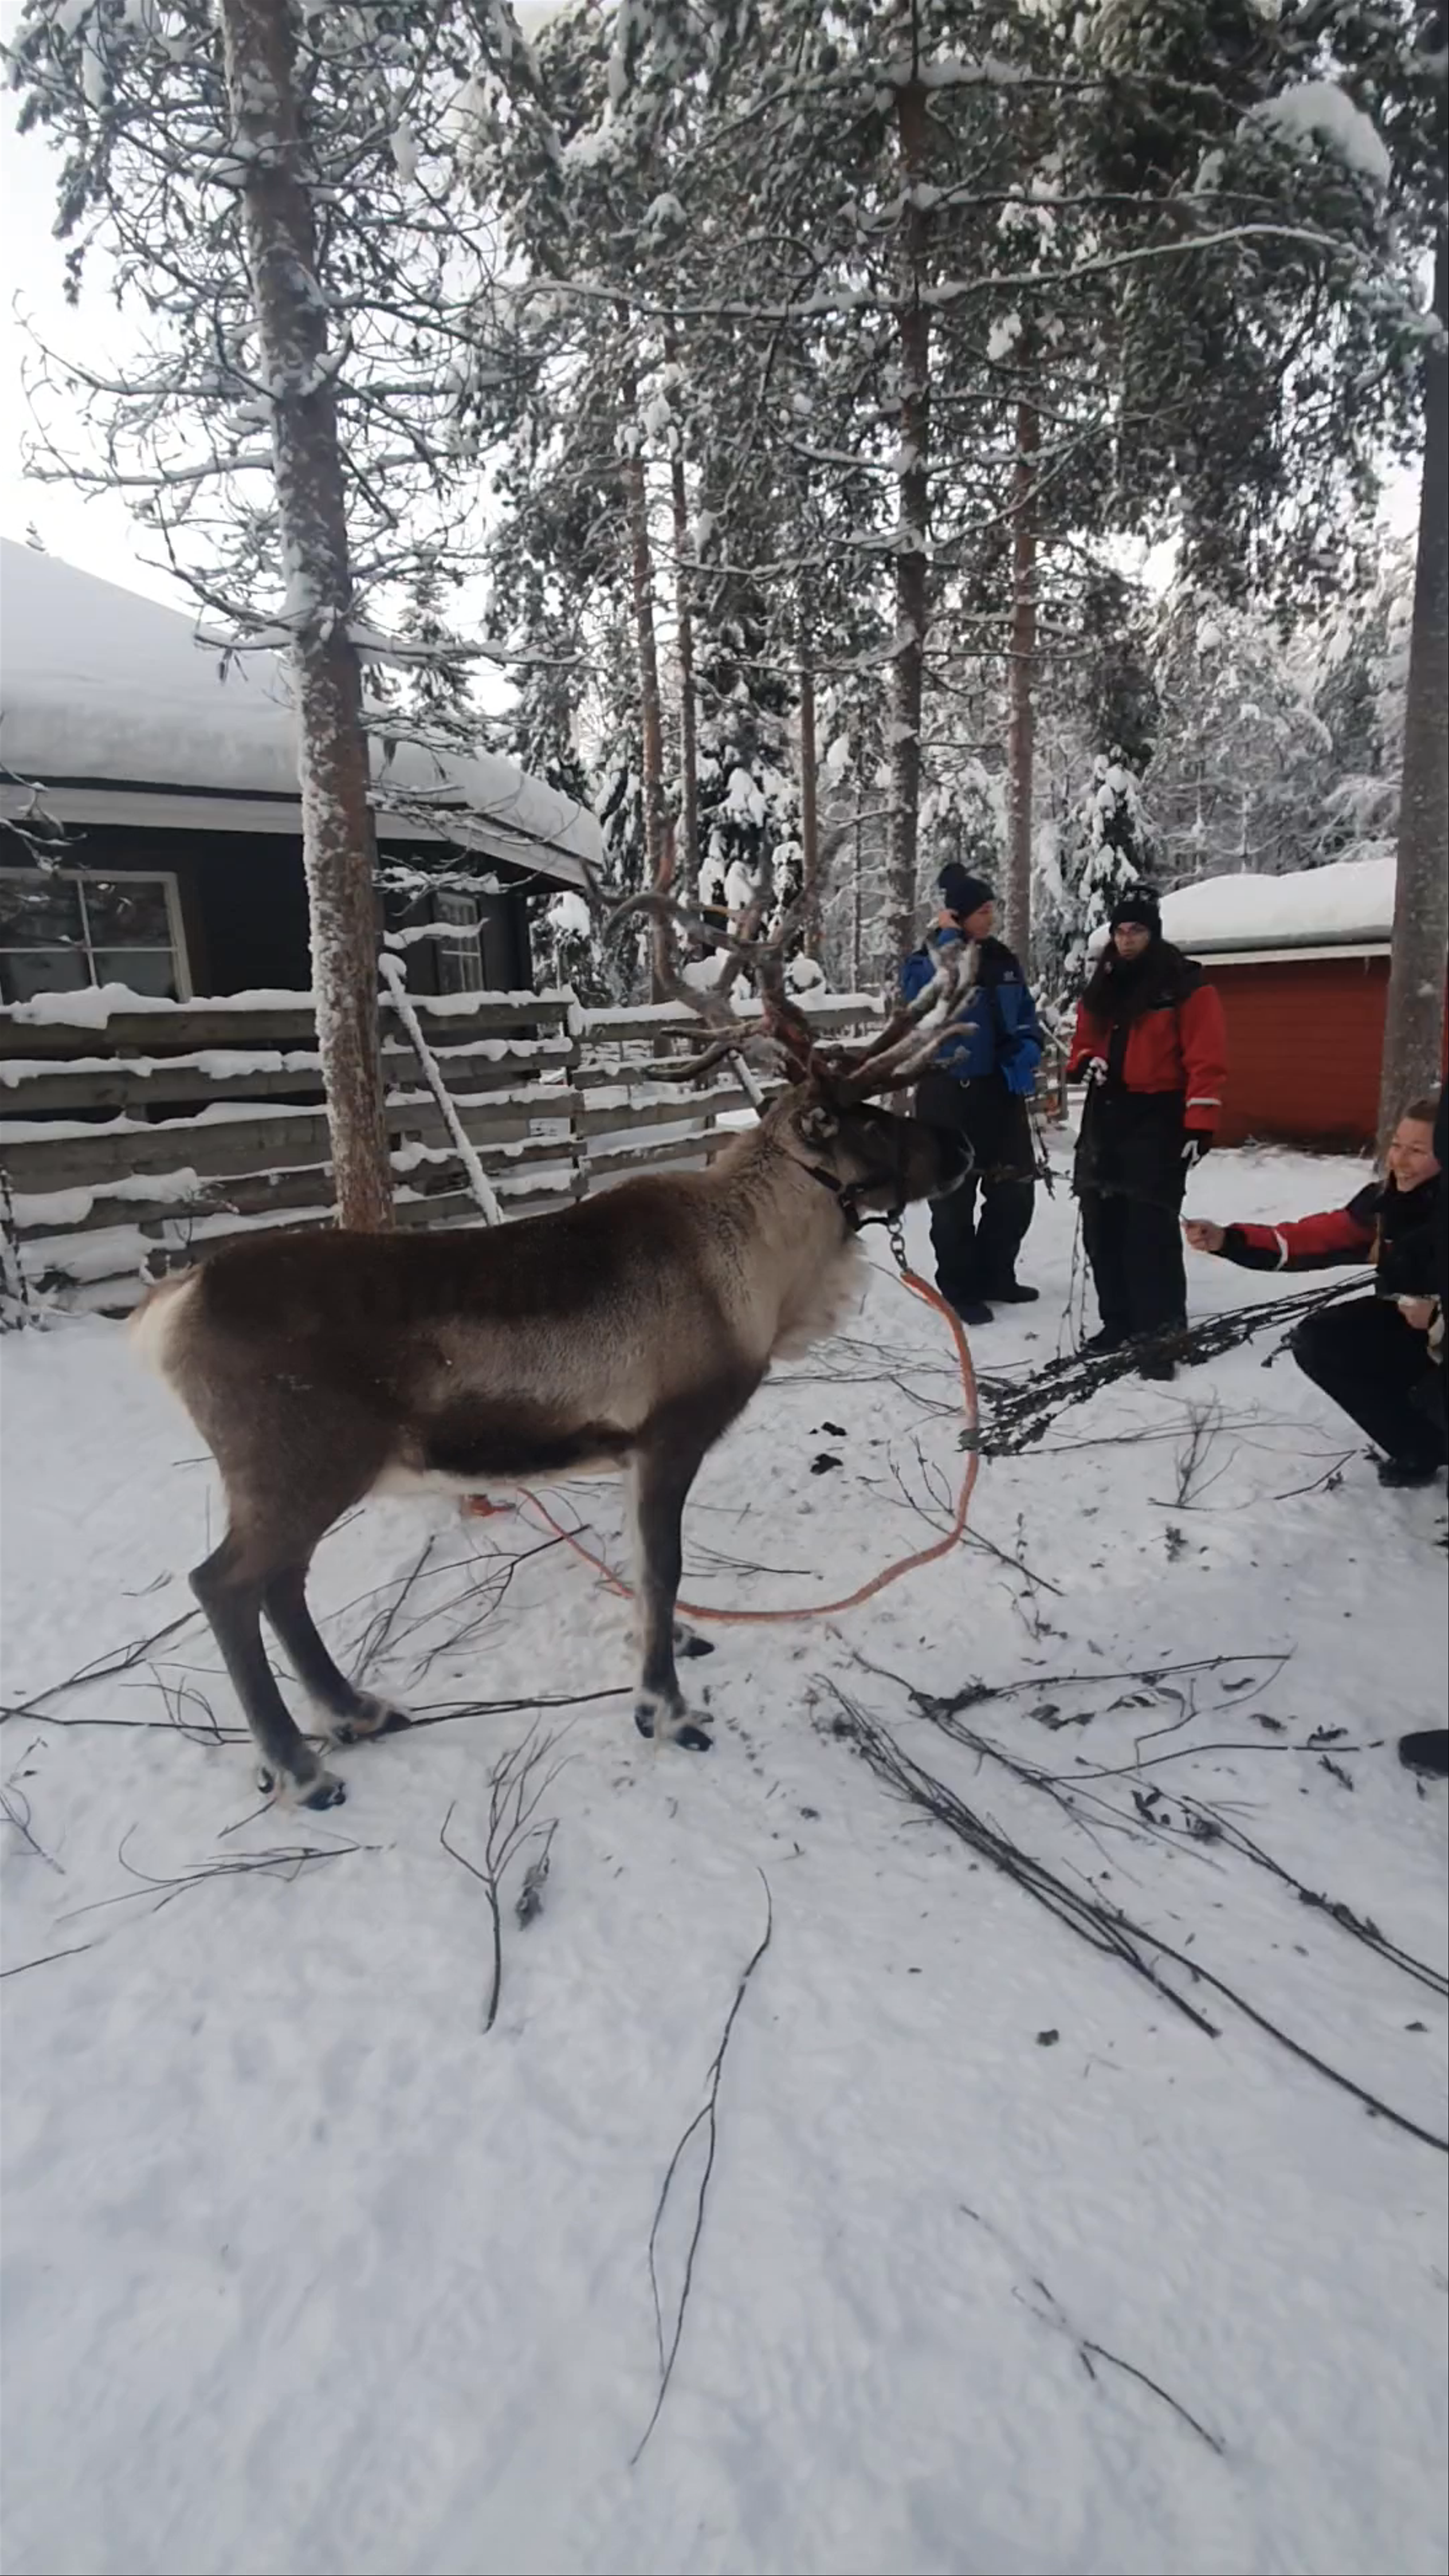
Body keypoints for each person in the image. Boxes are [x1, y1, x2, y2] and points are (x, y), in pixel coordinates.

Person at [1183, 1093, 1446, 1489]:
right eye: (1397, 1146)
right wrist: (1228, 1239)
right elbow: (1311, 1240)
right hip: (1420, 1330)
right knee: (1324, 1339)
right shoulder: (1387, 1206)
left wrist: (1439, 1318)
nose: (1400, 1161)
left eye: (1418, 1151)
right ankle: (1419, 1447)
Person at [1067, 886, 1227, 1380]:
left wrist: (1200, 1124)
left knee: (1148, 1229)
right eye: (1120, 930)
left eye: (1136, 930)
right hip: (1105, 1114)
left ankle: (1161, 1334)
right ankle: (1119, 1322)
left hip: (1159, 1116)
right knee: (1102, 1223)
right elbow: (1084, 1039)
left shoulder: (1184, 984)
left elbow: (1207, 1057)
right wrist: (1085, 1061)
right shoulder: (1105, 982)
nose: (1126, 939)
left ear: (1153, 932)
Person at [901, 864, 1043, 1326]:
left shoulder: (1003, 959)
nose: (991, 917)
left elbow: (1025, 1014)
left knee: (1015, 1191)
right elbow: (918, 1001)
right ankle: (959, 1288)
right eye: (983, 911)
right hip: (947, 1092)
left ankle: (996, 1275)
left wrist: (1027, 1049)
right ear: (959, 915)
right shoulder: (926, 959)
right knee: (953, 1199)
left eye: (991, 909)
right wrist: (946, 943)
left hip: (1000, 1092)